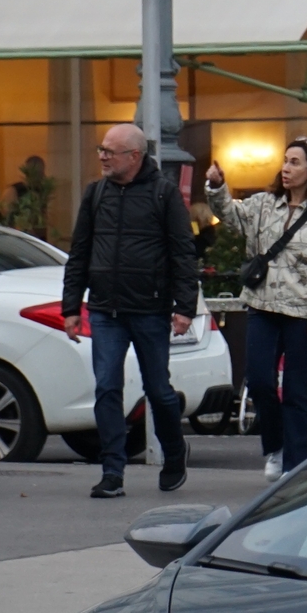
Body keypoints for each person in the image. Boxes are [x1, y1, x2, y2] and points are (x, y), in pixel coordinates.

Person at [61, 122, 196, 497]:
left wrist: (184, 307)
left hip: (150, 310)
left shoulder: (163, 195)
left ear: (134, 156)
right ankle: (112, 472)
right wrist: (71, 306)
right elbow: (80, 253)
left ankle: (173, 454)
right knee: (106, 388)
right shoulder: (95, 194)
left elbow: (184, 255)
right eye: (101, 150)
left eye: (109, 151)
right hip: (105, 310)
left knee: (159, 391)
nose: (102, 156)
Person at [207, 137, 307, 480]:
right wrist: (216, 186)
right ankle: (275, 448)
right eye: (285, 161)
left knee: (297, 390)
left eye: (295, 162)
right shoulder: (264, 205)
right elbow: (230, 215)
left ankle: (295, 466)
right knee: (260, 383)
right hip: (262, 306)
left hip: (302, 315)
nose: (286, 168)